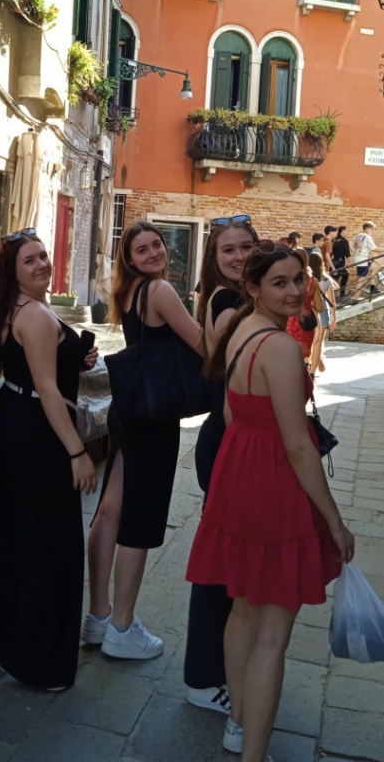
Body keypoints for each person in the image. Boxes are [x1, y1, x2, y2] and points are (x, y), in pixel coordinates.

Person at [187, 242, 355, 762]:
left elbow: (232, 416)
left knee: (242, 612)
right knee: (271, 636)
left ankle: (239, 725)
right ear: (254, 288)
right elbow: (299, 447)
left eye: (298, 279)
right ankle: (253, 753)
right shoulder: (279, 347)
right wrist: (334, 521)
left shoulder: (241, 328)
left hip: (238, 475)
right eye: (279, 282)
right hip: (274, 485)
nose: (294, 291)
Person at [0, 228, 98, 690]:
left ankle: (7, 638)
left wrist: (74, 358)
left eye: (44, 256)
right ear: (13, 271)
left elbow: (33, 368)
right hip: (37, 432)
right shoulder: (35, 315)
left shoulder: (16, 308)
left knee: (15, 533)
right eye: (29, 260)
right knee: (50, 541)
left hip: (14, 421)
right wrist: (78, 452)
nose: (42, 264)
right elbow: (47, 390)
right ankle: (38, 658)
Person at [82, 221, 204, 661]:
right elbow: (201, 343)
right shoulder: (160, 290)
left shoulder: (130, 292)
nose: (154, 253)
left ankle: (99, 616)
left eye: (157, 245)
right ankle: (122, 626)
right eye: (142, 249)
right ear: (129, 259)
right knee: (141, 518)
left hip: (129, 411)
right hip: (153, 416)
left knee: (110, 511)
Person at [184, 214, 258, 713]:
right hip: (230, 442)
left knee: (229, 560)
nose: (238, 257)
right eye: (228, 250)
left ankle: (222, 668)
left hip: (229, 441)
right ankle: (204, 677)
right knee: (220, 565)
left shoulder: (233, 299)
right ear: (213, 258)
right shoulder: (229, 305)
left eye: (246, 247)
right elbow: (235, 392)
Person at [286, 247, 323, 364]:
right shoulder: (313, 282)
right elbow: (320, 308)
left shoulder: (287, 280)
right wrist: (308, 304)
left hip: (289, 323)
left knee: (288, 359)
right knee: (304, 360)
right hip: (306, 324)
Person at [308, 253, 337, 375]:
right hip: (323, 311)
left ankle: (311, 363)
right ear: (321, 264)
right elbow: (332, 301)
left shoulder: (307, 279)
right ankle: (313, 372)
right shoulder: (326, 279)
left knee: (310, 341)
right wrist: (334, 319)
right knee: (318, 342)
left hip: (310, 310)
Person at [349, 221, 383, 304]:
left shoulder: (358, 236)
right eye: (371, 229)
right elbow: (374, 249)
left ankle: (372, 287)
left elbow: (354, 248)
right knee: (361, 279)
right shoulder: (367, 237)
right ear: (367, 228)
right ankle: (355, 298)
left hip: (357, 259)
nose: (372, 231)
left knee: (374, 267)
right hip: (362, 260)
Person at [331, 225, 350, 299]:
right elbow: (347, 254)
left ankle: (335, 294)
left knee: (335, 277)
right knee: (345, 275)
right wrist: (353, 264)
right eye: (346, 230)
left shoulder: (334, 240)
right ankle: (341, 293)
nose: (347, 232)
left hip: (333, 262)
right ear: (342, 231)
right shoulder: (344, 241)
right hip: (339, 263)